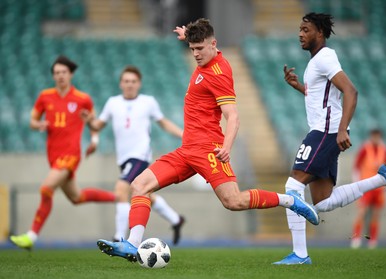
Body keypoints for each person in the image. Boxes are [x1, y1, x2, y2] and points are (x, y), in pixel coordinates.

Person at [95, 18, 320, 263]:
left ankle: (289, 200)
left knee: (233, 201)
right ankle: (131, 244)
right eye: (192, 49)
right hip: (187, 150)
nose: (195, 54)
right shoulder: (204, 57)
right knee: (139, 185)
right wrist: (188, 35)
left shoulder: (219, 72)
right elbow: (197, 41)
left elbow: (233, 116)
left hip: (208, 150)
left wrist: (226, 147)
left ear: (213, 44)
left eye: (200, 48)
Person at [274, 13, 386, 265]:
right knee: (323, 202)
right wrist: (299, 86)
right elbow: (322, 97)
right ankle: (381, 177)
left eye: (306, 29)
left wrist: (341, 130)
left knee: (293, 186)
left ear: (319, 33)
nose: (300, 33)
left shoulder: (326, 57)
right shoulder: (316, 62)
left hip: (325, 132)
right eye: (299, 28)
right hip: (327, 130)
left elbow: (350, 91)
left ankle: (300, 255)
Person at [10, 56, 117, 250]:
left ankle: (31, 236)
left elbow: (93, 123)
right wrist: (39, 124)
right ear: (53, 75)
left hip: (71, 154)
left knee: (46, 188)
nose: (60, 76)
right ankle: (118, 197)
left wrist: (94, 141)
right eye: (57, 73)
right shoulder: (45, 96)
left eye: (63, 72)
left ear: (70, 74)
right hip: (53, 155)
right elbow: (32, 121)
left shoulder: (82, 99)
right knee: (77, 197)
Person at [81, 65, 185, 245]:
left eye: (133, 81)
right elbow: (97, 126)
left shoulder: (148, 102)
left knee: (121, 189)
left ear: (139, 84)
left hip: (140, 155)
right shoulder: (113, 102)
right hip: (123, 158)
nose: (130, 84)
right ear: (121, 84)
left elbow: (164, 123)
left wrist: (184, 135)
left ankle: (119, 237)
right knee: (143, 193)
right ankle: (176, 219)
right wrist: (89, 120)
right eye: (126, 81)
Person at [351, 129, 386, 249]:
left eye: (377, 136)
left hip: (379, 188)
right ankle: (356, 238)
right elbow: (357, 166)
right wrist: (357, 183)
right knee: (362, 213)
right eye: (374, 136)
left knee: (375, 214)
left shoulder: (384, 149)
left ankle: (373, 240)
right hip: (366, 186)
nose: (375, 138)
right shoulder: (365, 148)